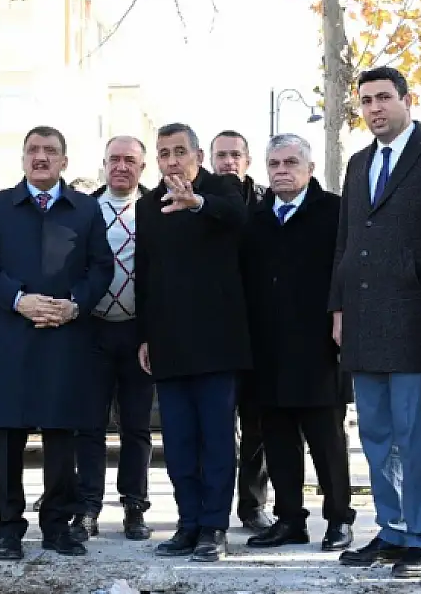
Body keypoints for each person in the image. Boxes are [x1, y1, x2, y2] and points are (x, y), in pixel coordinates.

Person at [330, 66, 421, 579]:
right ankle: (391, 531)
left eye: (383, 98)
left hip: (416, 316)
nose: (374, 108)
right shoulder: (358, 163)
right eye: (365, 101)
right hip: (363, 319)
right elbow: (345, 240)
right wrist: (337, 308)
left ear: (407, 100)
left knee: (414, 435)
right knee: (375, 435)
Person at [0, 125, 113, 561]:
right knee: (8, 437)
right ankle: (9, 529)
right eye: (33, 150)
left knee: (60, 436)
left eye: (51, 151)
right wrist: (18, 299)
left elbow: (101, 268)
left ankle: (56, 526)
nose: (41, 157)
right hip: (13, 335)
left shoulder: (86, 210)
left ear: (65, 161)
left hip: (65, 336)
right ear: (23, 158)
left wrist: (74, 305)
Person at [135, 122, 250, 562]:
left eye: (180, 151)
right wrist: (144, 335)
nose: (172, 160)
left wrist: (196, 202)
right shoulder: (148, 206)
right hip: (168, 341)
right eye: (164, 153)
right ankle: (188, 524)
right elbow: (144, 273)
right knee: (179, 442)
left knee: (217, 440)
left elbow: (237, 218)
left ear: (198, 157)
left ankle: (214, 527)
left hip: (218, 341)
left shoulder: (223, 188)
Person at [240, 134, 355, 553]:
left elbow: (347, 275)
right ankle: (290, 520)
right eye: (274, 164)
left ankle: (339, 519)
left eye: (291, 162)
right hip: (268, 351)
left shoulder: (334, 212)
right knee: (278, 442)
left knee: (327, 442)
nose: (282, 170)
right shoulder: (256, 219)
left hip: (320, 349)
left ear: (309, 169)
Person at [70, 136, 154, 543]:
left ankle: (134, 508)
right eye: (114, 160)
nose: (121, 166)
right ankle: (86, 508)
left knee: (136, 427)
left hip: (139, 332)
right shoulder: (84, 210)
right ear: (103, 164)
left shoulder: (157, 209)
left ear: (143, 166)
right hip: (93, 330)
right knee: (88, 426)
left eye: (130, 160)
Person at [208, 129, 272, 533]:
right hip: (214, 331)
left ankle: (252, 505)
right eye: (221, 155)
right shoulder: (201, 198)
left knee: (258, 425)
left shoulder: (266, 201)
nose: (228, 162)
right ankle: (210, 507)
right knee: (215, 425)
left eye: (235, 155)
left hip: (261, 331)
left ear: (248, 160)